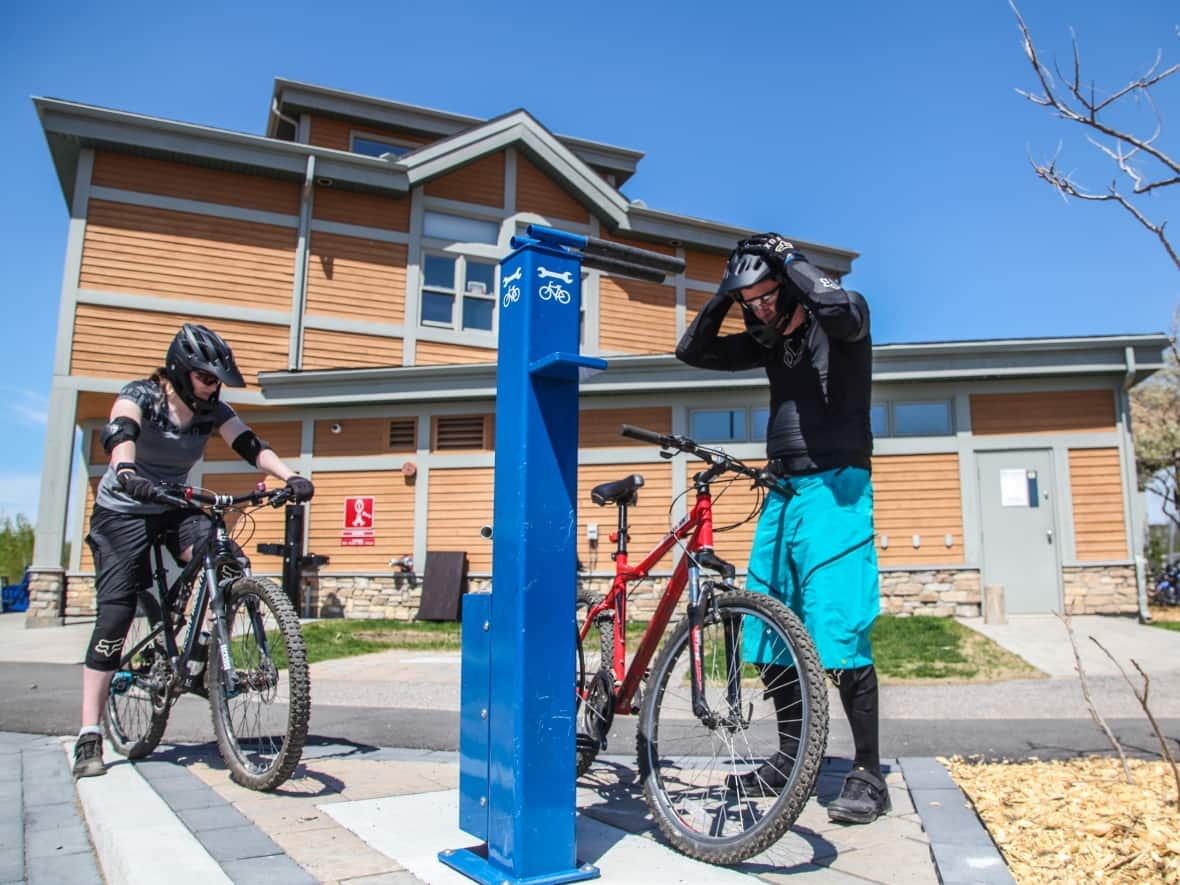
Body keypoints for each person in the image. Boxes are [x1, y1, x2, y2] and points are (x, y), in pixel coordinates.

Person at [675, 233, 886, 824]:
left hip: (836, 488)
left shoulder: (843, 318)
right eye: (753, 303)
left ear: (790, 285)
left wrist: (790, 260)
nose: (762, 310)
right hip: (781, 490)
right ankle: (793, 757)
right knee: (769, 628)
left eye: (769, 297)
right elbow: (692, 351)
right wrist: (725, 293)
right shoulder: (769, 341)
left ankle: (868, 772)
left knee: (836, 630)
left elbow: (840, 309)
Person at [74, 323, 314, 779]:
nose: (214, 387)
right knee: (115, 614)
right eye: (207, 378)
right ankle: (90, 731)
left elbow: (249, 444)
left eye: (217, 380)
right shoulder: (142, 395)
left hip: (174, 502)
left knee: (227, 562)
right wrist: (125, 469)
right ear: (182, 372)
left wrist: (289, 476)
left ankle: (202, 657)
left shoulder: (212, 410)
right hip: (124, 507)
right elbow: (120, 430)